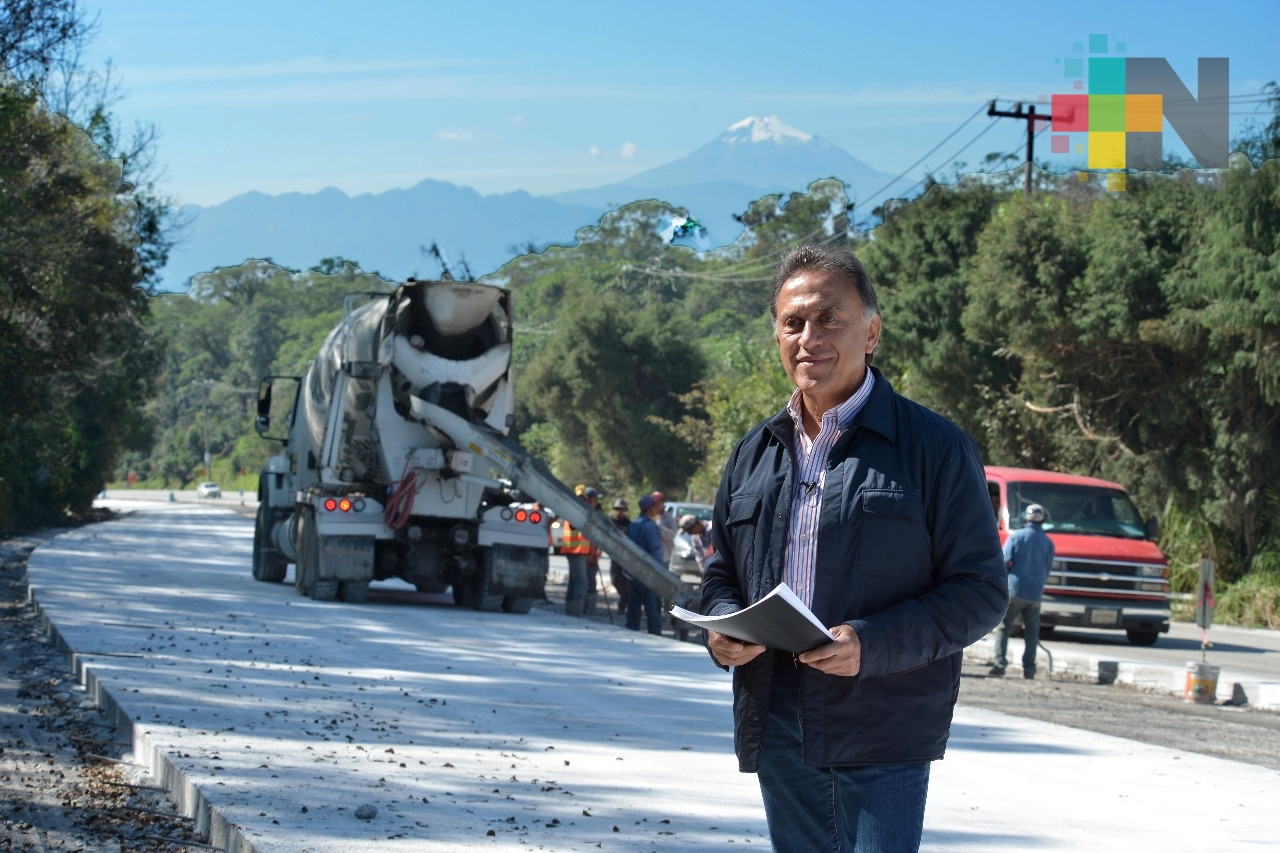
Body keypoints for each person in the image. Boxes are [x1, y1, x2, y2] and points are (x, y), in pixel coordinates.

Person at [699, 244, 1007, 853]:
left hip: (883, 723)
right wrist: (722, 628)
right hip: (776, 716)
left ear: (871, 333)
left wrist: (871, 643)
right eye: (793, 323)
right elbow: (721, 574)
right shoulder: (753, 453)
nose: (808, 338)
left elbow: (980, 593)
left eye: (828, 319)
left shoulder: (935, 448)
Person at [990, 503, 1055, 680]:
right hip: (1035, 594)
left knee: (1004, 628)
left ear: (1026, 518)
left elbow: (1003, 562)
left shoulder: (1017, 536)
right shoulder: (1048, 543)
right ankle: (1029, 669)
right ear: (1043, 520)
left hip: (1015, 590)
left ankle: (1000, 665)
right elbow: (1048, 568)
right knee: (1032, 632)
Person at [625, 494, 665, 635]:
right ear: (650, 508)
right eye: (654, 506)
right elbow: (655, 550)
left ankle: (631, 630)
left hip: (634, 572)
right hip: (648, 573)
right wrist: (661, 572)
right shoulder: (649, 526)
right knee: (652, 606)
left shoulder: (633, 525)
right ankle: (655, 634)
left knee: (634, 603)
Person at [560, 490, 599, 617]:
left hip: (579, 552)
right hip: (575, 551)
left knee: (574, 583)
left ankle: (570, 612)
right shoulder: (576, 512)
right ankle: (576, 613)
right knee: (582, 584)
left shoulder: (579, 511)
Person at [581, 487, 604, 615]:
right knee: (583, 581)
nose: (596, 502)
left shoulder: (598, 514)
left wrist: (596, 553)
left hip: (593, 552)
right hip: (583, 552)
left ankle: (590, 607)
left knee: (591, 580)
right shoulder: (583, 513)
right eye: (594, 499)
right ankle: (583, 607)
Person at [609, 498, 632, 615]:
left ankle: (622, 605)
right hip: (615, 554)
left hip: (626, 556)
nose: (619, 512)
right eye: (617, 509)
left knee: (626, 581)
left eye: (621, 509)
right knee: (615, 580)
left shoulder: (629, 524)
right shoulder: (611, 523)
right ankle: (626, 598)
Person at [669, 514, 708, 578]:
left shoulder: (713, 528)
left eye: (689, 531)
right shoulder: (695, 538)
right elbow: (699, 556)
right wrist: (704, 571)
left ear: (694, 525)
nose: (690, 534)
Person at [650, 490, 678, 562]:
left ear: (663, 503)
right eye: (654, 503)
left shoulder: (669, 518)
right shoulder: (649, 518)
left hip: (665, 556)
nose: (656, 506)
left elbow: (672, 534)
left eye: (658, 503)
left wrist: (658, 527)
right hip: (651, 556)